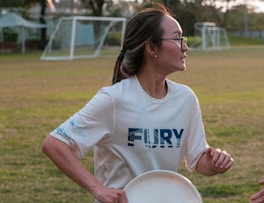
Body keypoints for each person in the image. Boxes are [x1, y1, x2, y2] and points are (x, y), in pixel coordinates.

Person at [41, 2, 234, 203]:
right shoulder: (114, 99)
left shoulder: (185, 99)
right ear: (151, 47)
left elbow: (198, 160)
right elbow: (54, 144)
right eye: (177, 38)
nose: (185, 46)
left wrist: (213, 163)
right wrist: (98, 189)